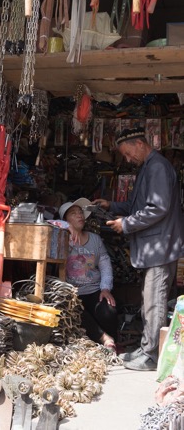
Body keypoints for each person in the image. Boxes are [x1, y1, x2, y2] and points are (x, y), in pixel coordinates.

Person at [93, 127, 184, 371]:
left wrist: (127, 224)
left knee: (154, 301)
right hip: (154, 247)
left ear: (140, 144)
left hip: (159, 247)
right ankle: (147, 348)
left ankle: (151, 355)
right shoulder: (147, 167)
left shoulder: (157, 167)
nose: (126, 159)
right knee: (149, 301)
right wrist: (112, 204)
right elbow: (137, 205)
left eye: (126, 153)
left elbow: (158, 208)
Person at [59, 198, 118, 352]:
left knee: (109, 311)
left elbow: (105, 266)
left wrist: (105, 289)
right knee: (76, 312)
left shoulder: (95, 239)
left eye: (80, 213)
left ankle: (109, 340)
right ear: (65, 219)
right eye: (73, 213)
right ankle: (105, 339)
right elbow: (46, 223)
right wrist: (66, 227)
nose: (79, 216)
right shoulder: (60, 238)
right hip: (73, 294)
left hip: (94, 290)